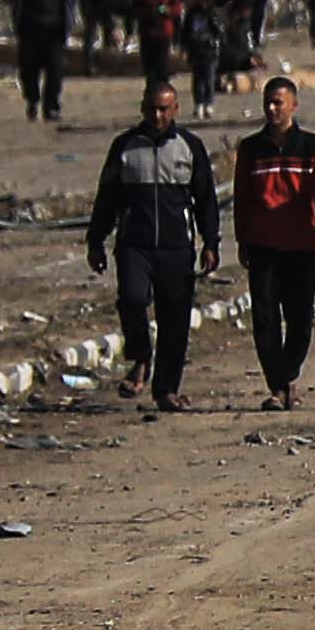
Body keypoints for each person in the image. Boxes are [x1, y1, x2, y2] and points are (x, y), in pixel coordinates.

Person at [87, 78, 221, 410]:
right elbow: (107, 198)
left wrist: (211, 242)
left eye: (164, 109)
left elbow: (206, 199)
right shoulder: (125, 147)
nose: (157, 116)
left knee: (175, 319)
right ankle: (141, 356)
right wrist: (95, 240)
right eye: (152, 109)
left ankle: (166, 390)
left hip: (177, 247)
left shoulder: (190, 147)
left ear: (176, 109)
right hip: (135, 244)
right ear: (142, 109)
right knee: (132, 300)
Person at [233, 74, 315, 408]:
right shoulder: (251, 149)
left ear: (294, 105)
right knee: (264, 319)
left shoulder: (312, 146)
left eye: (279, 102)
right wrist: (242, 238)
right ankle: (278, 388)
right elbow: (243, 197)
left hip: (301, 245)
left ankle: (288, 374)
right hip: (263, 245)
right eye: (268, 102)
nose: (272, 108)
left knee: (300, 319)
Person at [6, 0, 71, 125]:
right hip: (30, 27)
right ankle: (33, 100)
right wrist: (17, 22)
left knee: (55, 71)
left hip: (53, 29)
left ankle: (51, 105)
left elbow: (68, 0)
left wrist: (66, 25)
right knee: (29, 71)